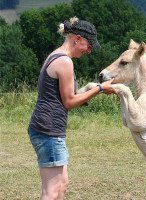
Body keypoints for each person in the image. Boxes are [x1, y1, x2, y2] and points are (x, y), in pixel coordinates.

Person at [28, 16, 116, 200]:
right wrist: (100, 89)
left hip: (47, 129)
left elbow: (67, 96)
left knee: (61, 185)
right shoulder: (65, 62)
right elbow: (69, 102)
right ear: (77, 39)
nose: (89, 51)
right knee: (52, 191)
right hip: (49, 130)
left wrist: (91, 87)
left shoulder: (57, 56)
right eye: (89, 45)